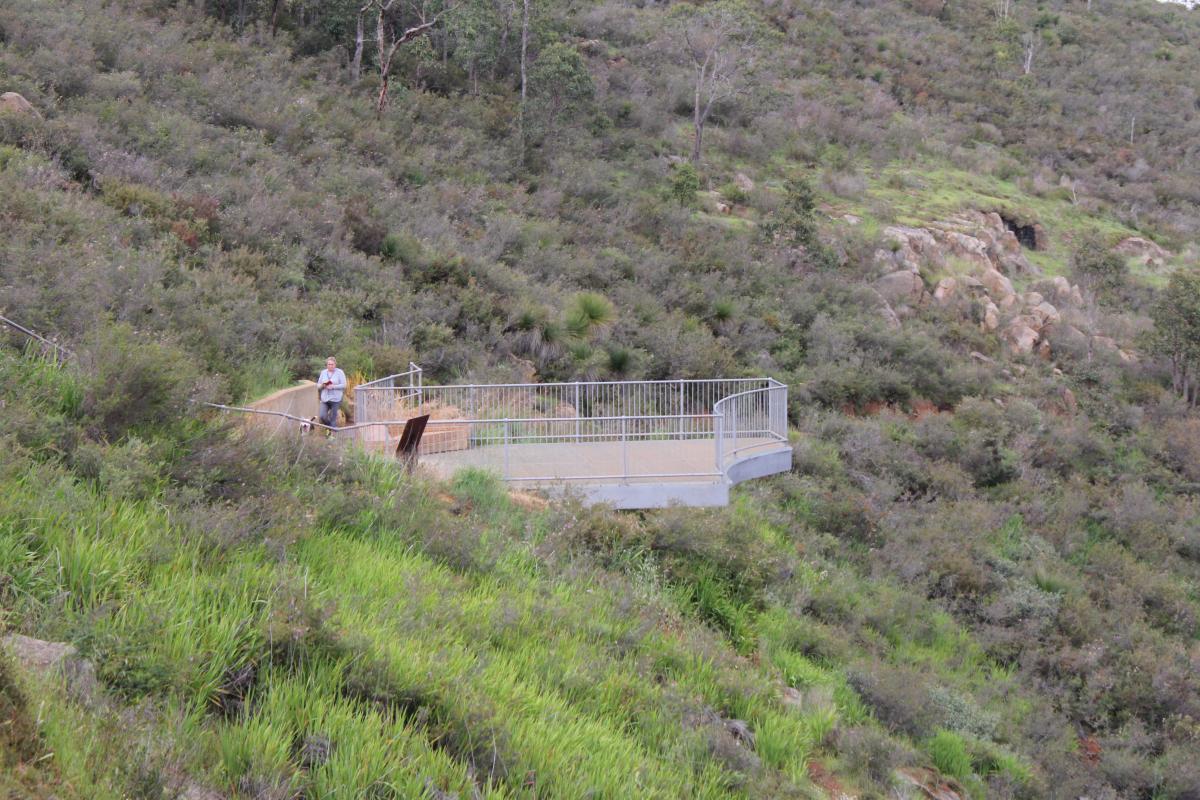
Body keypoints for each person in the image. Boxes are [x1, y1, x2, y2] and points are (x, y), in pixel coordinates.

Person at [316, 357, 347, 429]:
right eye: (329, 364)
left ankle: (331, 436)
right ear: (327, 365)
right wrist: (322, 385)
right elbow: (318, 385)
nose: (330, 366)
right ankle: (333, 428)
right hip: (324, 399)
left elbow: (344, 385)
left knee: (333, 419)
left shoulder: (340, 372)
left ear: (335, 365)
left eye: (332, 364)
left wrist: (333, 386)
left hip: (335, 399)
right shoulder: (323, 372)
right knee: (322, 416)